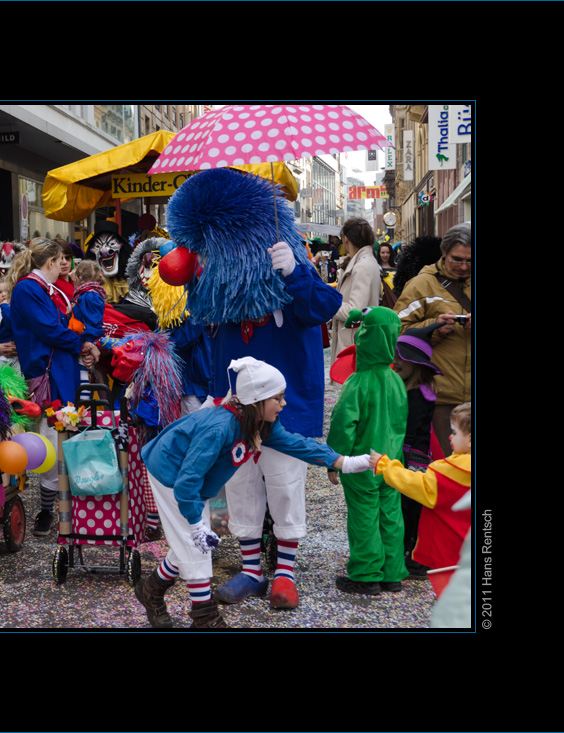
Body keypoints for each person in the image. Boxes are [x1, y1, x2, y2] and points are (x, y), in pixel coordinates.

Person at [165, 168, 342, 612]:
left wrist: (296, 272)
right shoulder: (216, 292)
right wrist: (212, 396)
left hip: (286, 408)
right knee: (240, 485)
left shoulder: (289, 272)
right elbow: (210, 343)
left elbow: (325, 306)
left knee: (284, 485)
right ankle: (251, 571)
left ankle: (285, 574)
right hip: (234, 412)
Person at [134, 357, 372, 629]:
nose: (284, 404)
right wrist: (196, 524)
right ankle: (205, 618)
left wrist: (345, 462)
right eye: (278, 398)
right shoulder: (219, 428)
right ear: (257, 399)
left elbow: (298, 444)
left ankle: (151, 590)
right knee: (194, 543)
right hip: (170, 475)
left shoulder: (258, 422)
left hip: (190, 482)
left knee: (189, 542)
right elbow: (188, 480)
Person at [10, 238, 96, 536]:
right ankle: (48, 510)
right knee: (49, 443)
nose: (64, 265)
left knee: (65, 438)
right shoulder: (28, 289)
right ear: (48, 262)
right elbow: (49, 329)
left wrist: (83, 341)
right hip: (47, 376)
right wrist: (80, 343)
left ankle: (63, 508)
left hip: (64, 373)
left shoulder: (47, 289)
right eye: (60, 259)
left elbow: (64, 323)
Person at [327, 306, 409, 596]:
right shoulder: (397, 381)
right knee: (390, 516)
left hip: (362, 462)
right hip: (391, 462)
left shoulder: (358, 382)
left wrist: (335, 460)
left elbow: (342, 424)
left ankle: (366, 575)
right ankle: (392, 574)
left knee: (363, 517)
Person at [393, 223, 471, 459]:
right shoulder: (420, 284)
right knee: (447, 467)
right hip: (440, 397)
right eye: (457, 259)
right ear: (444, 253)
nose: (464, 266)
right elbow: (396, 331)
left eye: (470, 260)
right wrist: (433, 327)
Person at [370, 402, 471, 574]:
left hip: (449, 554)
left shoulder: (447, 472)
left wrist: (385, 466)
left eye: (454, 432)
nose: (449, 437)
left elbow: (417, 484)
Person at [391, 323, 444, 577]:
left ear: (417, 364)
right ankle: (411, 551)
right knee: (411, 507)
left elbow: (410, 430)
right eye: (394, 356)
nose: (395, 362)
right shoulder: (419, 389)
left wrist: (398, 453)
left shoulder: (417, 395)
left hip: (413, 458)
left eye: (402, 358)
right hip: (418, 456)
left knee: (409, 507)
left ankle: (414, 554)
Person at [330, 218, 382, 370]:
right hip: (359, 338)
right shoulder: (367, 262)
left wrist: (329, 302)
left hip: (353, 342)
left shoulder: (361, 266)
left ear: (346, 239)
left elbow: (356, 311)